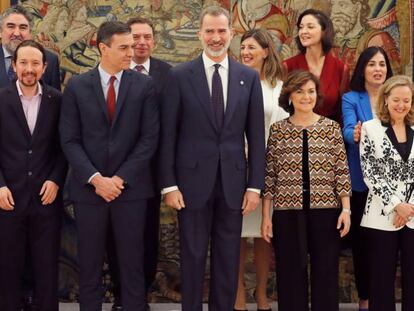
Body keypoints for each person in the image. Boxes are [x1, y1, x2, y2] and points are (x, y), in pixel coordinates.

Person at [159, 6, 265, 311]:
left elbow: (256, 137)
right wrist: (169, 185)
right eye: (210, 31)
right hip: (190, 184)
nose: (216, 37)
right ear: (200, 34)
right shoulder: (179, 76)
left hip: (233, 184)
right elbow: (168, 135)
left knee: (228, 258)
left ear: (231, 34)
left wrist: (254, 186)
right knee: (191, 257)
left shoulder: (248, 77)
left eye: (221, 31)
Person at [60, 21, 159, 311]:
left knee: (131, 264)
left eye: (132, 46)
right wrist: (96, 179)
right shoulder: (77, 86)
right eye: (124, 47)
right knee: (89, 264)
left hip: (131, 191)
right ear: (103, 48)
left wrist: (119, 179)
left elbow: (149, 139)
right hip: (89, 191)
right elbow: (69, 140)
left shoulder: (145, 86)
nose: (133, 51)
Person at [261, 70, 352, 311]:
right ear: (289, 96)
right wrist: (265, 217)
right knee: (290, 273)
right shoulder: (279, 131)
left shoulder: (331, 129)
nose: (306, 96)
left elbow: (341, 172)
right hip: (287, 212)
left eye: (311, 91)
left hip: (327, 212)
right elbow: (270, 175)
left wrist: (346, 210)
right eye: (299, 91)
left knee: (326, 272)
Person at [105, 16, 172, 311]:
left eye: (147, 37)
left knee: (146, 235)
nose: (141, 43)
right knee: (112, 235)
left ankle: (139, 294)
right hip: (109, 175)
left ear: (154, 41)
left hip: (149, 172)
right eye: (136, 38)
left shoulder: (168, 74)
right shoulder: (107, 74)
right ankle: (120, 293)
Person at [0, 39, 67, 311]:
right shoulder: (0, 99)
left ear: (44, 66)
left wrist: (55, 179)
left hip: (46, 199)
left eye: (35, 63)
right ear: (14, 65)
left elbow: (66, 146)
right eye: (24, 63)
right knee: (8, 267)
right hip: (8, 199)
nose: (29, 69)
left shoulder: (58, 100)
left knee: (46, 267)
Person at [235, 28, 288, 311]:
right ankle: (238, 293)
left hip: (269, 166)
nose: (246, 52)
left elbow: (283, 128)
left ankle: (262, 293)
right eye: (243, 47)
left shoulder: (278, 87)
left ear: (266, 51)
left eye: (252, 47)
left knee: (264, 233)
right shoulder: (234, 81)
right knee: (237, 233)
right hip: (236, 168)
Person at [341, 46, 393, 311]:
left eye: (382, 64)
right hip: (361, 183)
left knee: (386, 246)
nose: (377, 69)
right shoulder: (352, 98)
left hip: (393, 186)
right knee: (362, 245)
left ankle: (383, 298)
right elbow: (348, 133)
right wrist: (357, 134)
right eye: (371, 64)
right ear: (362, 69)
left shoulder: (395, 97)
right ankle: (365, 299)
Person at [359, 75, 414, 311]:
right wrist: (396, 205)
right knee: (381, 280)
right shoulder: (371, 129)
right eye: (396, 100)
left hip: (413, 215)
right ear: (386, 99)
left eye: (406, 100)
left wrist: (409, 207)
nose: (401, 105)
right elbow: (370, 173)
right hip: (381, 216)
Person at [284, 9, 349, 122]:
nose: (303, 31)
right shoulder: (288, 66)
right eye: (301, 27)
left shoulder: (340, 68)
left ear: (324, 31)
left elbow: (344, 111)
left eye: (310, 27)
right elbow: (281, 107)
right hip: (295, 133)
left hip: (330, 134)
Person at [0, 5, 61, 90]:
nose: (17, 33)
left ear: (31, 33)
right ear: (0, 31)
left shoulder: (50, 60)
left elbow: (54, 100)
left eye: (23, 27)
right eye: (11, 26)